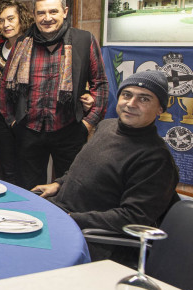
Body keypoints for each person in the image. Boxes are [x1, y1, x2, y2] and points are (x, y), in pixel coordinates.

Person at [33, 70, 178, 261]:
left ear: (160, 109)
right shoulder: (107, 126)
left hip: (93, 239)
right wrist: (58, 183)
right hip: (62, 215)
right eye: (127, 95)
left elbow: (132, 218)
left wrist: (71, 218)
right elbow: (82, 168)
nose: (131, 104)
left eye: (144, 99)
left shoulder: (156, 159)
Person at [0, 0, 108, 189]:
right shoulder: (22, 43)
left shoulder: (84, 40)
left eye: (53, 12)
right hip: (28, 131)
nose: (47, 18)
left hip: (69, 129)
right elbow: (5, 87)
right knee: (29, 192)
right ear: (34, 15)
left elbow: (100, 84)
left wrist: (87, 124)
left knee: (70, 189)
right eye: (41, 13)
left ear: (64, 12)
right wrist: (12, 122)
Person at [0, 0, 33, 185]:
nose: (6, 24)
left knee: (27, 168)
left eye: (11, 18)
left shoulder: (32, 47)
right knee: (7, 169)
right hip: (1, 118)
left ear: (22, 19)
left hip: (25, 118)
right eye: (1, 20)